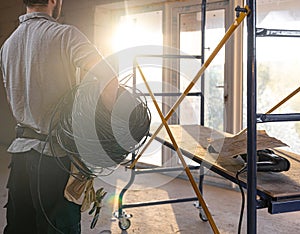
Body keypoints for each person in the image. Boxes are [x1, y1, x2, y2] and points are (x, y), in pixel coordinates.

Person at [0, 0, 118, 233]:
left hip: (20, 156)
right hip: (55, 157)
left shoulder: (8, 44)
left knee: (19, 227)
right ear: (54, 1)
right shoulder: (65, 35)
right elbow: (109, 79)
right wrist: (103, 131)